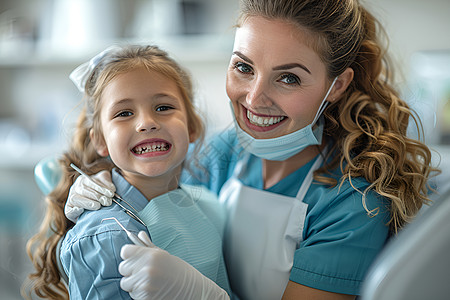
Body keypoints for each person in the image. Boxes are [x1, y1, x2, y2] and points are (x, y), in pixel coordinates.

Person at [44, 0, 438, 299]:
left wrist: (199, 293)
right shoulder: (224, 151)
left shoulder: (353, 199)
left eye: (288, 78)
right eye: (244, 67)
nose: (254, 98)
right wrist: (103, 182)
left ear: (335, 85)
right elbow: (153, 185)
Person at [24, 45, 231, 299]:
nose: (146, 122)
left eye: (163, 107)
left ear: (192, 127)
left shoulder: (206, 204)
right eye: (124, 113)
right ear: (100, 140)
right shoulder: (106, 236)